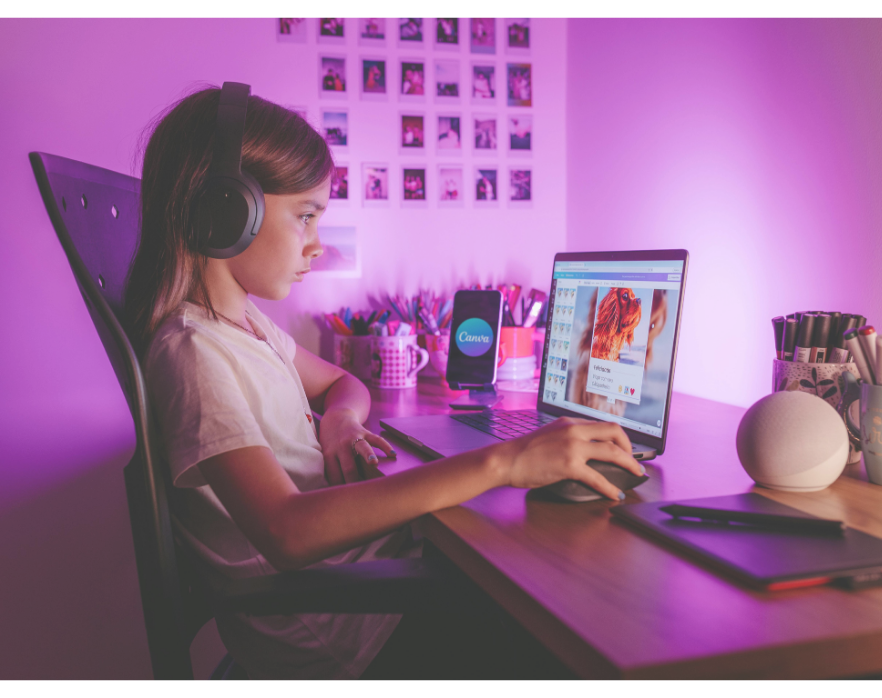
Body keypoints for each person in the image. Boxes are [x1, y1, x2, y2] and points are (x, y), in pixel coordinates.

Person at [124, 86, 643, 679]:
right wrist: (504, 462)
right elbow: (286, 532)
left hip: (366, 591)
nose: (318, 244)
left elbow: (343, 382)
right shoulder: (194, 352)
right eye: (306, 216)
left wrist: (341, 424)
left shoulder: (243, 327)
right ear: (226, 211)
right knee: (576, 622)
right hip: (347, 632)